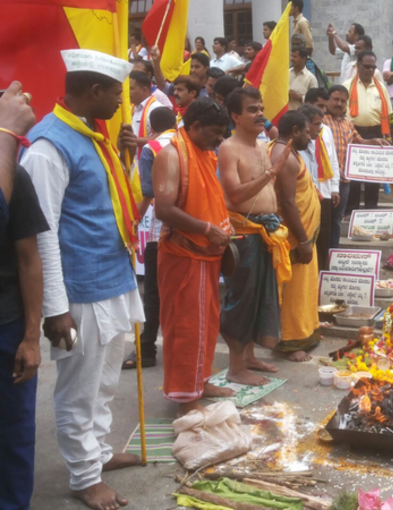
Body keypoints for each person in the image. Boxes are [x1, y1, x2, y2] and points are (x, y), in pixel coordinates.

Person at [21, 49, 144, 510]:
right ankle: (84, 477)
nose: (121, 103)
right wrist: (54, 309)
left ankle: (98, 452)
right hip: (80, 290)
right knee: (79, 389)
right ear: (94, 92)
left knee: (105, 381)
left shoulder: (94, 134)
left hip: (114, 278)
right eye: (117, 93)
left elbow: (106, 205)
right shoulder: (49, 147)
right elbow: (41, 235)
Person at [153, 98, 233, 414]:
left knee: (206, 323)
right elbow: (164, 209)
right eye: (215, 132)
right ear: (195, 126)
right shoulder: (172, 155)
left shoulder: (203, 151)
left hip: (207, 256)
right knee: (187, 327)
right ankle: (187, 397)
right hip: (184, 256)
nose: (220, 140)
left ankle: (201, 380)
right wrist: (206, 228)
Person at [219, 87, 292, 384]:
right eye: (252, 109)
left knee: (261, 297)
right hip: (244, 235)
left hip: (266, 232)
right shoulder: (228, 148)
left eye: (261, 108)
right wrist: (272, 172)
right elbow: (234, 196)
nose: (260, 114)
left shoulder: (263, 145)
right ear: (235, 116)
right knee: (242, 300)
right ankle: (236, 368)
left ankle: (249, 357)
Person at [0, 81, 45, 510]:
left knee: (13, 433)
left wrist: (32, 337)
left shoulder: (17, 173)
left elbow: (30, 259)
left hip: (7, 326)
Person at [122, 107, 177, 370]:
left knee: (153, 293)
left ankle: (146, 350)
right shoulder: (188, 144)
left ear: (151, 127)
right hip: (190, 228)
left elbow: (147, 193)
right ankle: (182, 349)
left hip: (159, 231)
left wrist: (133, 223)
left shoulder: (151, 148)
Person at [270, 111, 321, 361]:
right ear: (294, 131)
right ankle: (290, 341)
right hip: (293, 236)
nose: (310, 139)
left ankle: (305, 329)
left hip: (302, 232)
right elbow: (288, 203)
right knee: (293, 290)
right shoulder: (285, 158)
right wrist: (302, 241)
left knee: (303, 288)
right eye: (307, 133)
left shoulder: (286, 151)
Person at [324, 85, 388, 246]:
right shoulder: (320, 122)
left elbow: (359, 142)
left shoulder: (347, 123)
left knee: (336, 220)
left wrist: (374, 141)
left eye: (343, 101)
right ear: (327, 100)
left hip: (344, 181)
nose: (339, 104)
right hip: (325, 179)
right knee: (323, 220)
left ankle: (333, 253)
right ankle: (321, 259)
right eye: (336, 99)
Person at [343, 51, 392, 214]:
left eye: (373, 67)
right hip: (353, 132)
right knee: (354, 175)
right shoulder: (347, 86)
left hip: (376, 132)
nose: (370, 70)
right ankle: (351, 210)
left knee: (373, 175)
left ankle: (371, 210)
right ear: (358, 66)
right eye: (367, 66)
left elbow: (387, 115)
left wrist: (387, 136)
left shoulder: (380, 88)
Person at [299, 103, 340, 270]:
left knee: (324, 235)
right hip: (306, 196)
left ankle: (323, 272)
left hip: (325, 192)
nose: (320, 127)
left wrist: (334, 187)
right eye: (316, 124)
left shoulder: (326, 131)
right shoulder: (298, 144)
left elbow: (333, 160)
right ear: (306, 125)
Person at [129, 70, 168, 160]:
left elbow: (162, 138)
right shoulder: (133, 108)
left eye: (131, 88)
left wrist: (132, 140)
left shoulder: (156, 109)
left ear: (144, 90)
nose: (127, 92)